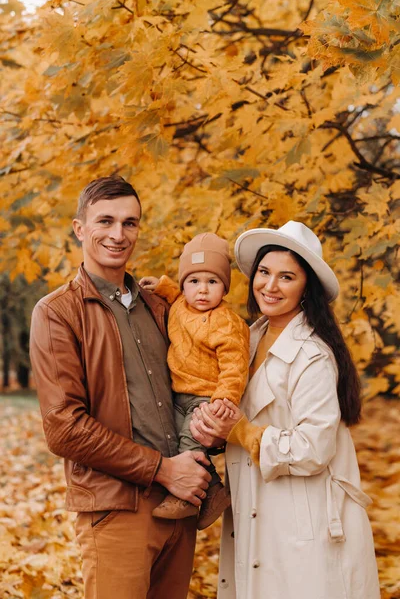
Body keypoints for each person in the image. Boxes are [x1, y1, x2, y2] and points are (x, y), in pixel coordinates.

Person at [29, 175, 211, 599]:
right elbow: (63, 427)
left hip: (179, 505)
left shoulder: (159, 305)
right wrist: (162, 469)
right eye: (105, 221)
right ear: (79, 228)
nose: (118, 234)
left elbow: (197, 376)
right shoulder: (57, 313)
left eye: (130, 223)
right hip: (116, 510)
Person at [190, 220, 380, 599]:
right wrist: (213, 429)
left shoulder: (313, 355)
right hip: (257, 508)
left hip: (304, 521)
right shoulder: (249, 336)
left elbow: (314, 448)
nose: (270, 286)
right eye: (264, 272)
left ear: (305, 287)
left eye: (286, 277)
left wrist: (241, 432)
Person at [139, 233, 249, 529]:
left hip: (206, 397)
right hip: (179, 395)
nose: (202, 291)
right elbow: (175, 294)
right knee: (168, 439)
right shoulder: (179, 306)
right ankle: (213, 489)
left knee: (190, 444)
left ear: (224, 287)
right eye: (194, 282)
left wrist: (224, 399)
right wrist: (162, 286)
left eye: (212, 282)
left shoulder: (226, 322)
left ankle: (189, 498)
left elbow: (234, 366)